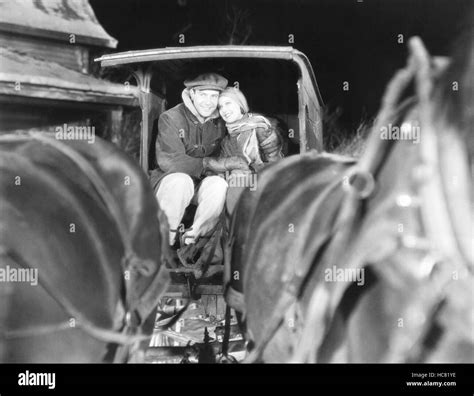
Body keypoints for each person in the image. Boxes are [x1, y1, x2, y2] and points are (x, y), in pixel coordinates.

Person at [150, 73, 282, 246]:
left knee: (219, 186)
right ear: (192, 94)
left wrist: (239, 171)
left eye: (214, 96)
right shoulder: (171, 118)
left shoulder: (221, 122)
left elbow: (239, 136)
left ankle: (195, 240)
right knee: (181, 182)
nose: (208, 101)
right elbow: (170, 161)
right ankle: (162, 242)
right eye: (203, 95)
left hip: (203, 181)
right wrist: (214, 164)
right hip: (172, 179)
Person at [217, 87, 284, 213]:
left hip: (265, 182)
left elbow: (275, 165)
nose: (224, 110)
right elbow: (223, 168)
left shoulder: (260, 127)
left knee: (238, 183)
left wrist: (246, 176)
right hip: (235, 186)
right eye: (220, 107)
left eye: (228, 103)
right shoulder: (227, 140)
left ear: (240, 103)